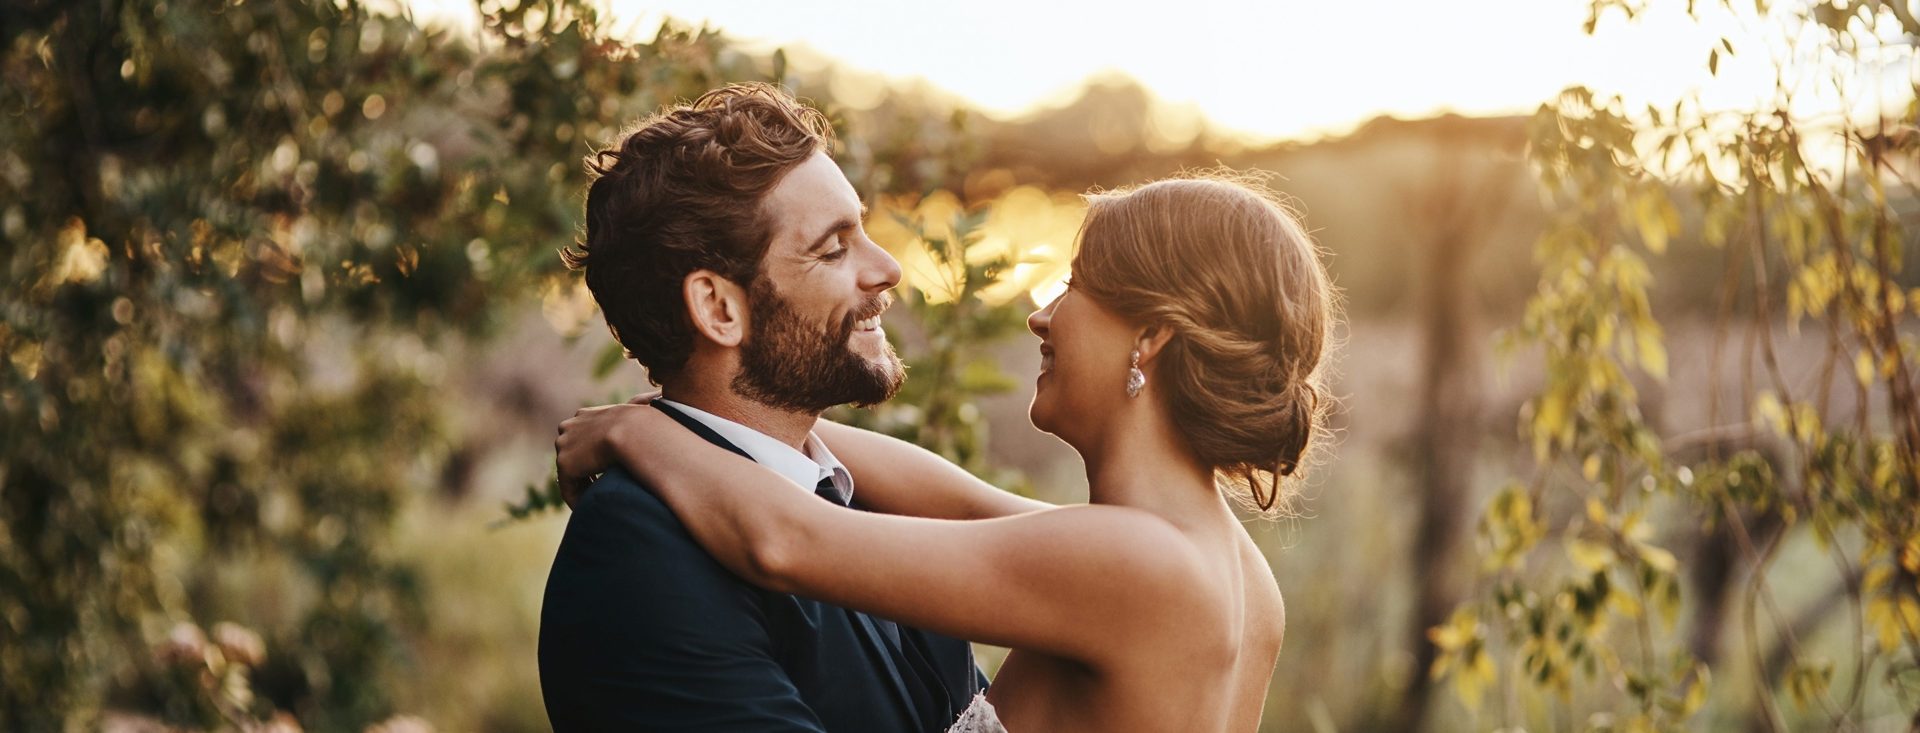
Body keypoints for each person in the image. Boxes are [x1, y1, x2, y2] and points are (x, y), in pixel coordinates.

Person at [556, 173, 1340, 731]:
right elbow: (956, 498)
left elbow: (785, 538)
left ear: (1151, 335)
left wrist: (639, 430)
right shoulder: (1228, 572)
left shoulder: (1131, 564)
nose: (1043, 316)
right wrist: (738, 407)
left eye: (1076, 285)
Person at [537, 82, 987, 732]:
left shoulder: (863, 503)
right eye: (834, 247)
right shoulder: (635, 552)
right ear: (719, 309)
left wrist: (642, 426)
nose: (888, 267)